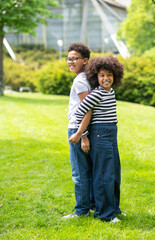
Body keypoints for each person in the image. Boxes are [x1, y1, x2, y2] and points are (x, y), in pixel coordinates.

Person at [69, 55, 124, 222]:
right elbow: (79, 113)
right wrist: (82, 135)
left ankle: (113, 208)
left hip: (111, 134)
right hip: (99, 135)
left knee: (114, 172)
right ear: (95, 76)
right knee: (103, 175)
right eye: (102, 75)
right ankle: (103, 214)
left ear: (115, 76)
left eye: (109, 75)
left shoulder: (111, 91)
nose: (106, 78)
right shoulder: (96, 94)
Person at [62, 42, 93, 219]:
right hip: (82, 129)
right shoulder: (87, 78)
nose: (70, 62)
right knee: (87, 170)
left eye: (74, 58)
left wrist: (82, 135)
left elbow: (86, 108)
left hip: (77, 129)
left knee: (80, 172)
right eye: (68, 58)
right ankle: (91, 205)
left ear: (85, 60)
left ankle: (82, 211)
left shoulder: (80, 80)